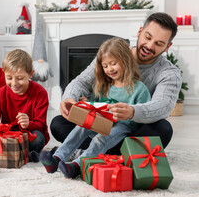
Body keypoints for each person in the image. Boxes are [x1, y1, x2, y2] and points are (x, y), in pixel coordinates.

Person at [50, 12, 181, 154]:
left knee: (163, 129)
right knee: (59, 124)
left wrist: (132, 112)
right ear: (139, 32)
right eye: (147, 37)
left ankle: (86, 151)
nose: (149, 46)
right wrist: (70, 98)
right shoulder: (113, 53)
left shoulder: (169, 73)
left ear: (168, 46)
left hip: (133, 128)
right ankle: (119, 153)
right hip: (101, 125)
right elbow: (82, 81)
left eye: (159, 43)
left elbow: (163, 105)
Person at [40, 38, 151, 178]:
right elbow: (99, 105)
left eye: (113, 64)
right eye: (105, 66)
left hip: (123, 127)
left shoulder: (139, 89)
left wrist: (128, 113)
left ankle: (78, 165)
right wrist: (88, 103)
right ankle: (57, 158)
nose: (109, 69)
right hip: (104, 122)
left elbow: (144, 115)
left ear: (126, 61)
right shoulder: (105, 85)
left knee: (100, 138)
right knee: (81, 126)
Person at [0, 49, 49, 162]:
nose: (14, 83)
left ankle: (20, 152)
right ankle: (25, 153)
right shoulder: (0, 93)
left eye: (20, 78)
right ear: (4, 74)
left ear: (30, 74)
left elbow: (41, 125)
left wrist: (28, 124)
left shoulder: (40, 93)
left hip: (29, 134)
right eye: (9, 78)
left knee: (38, 139)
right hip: (8, 135)